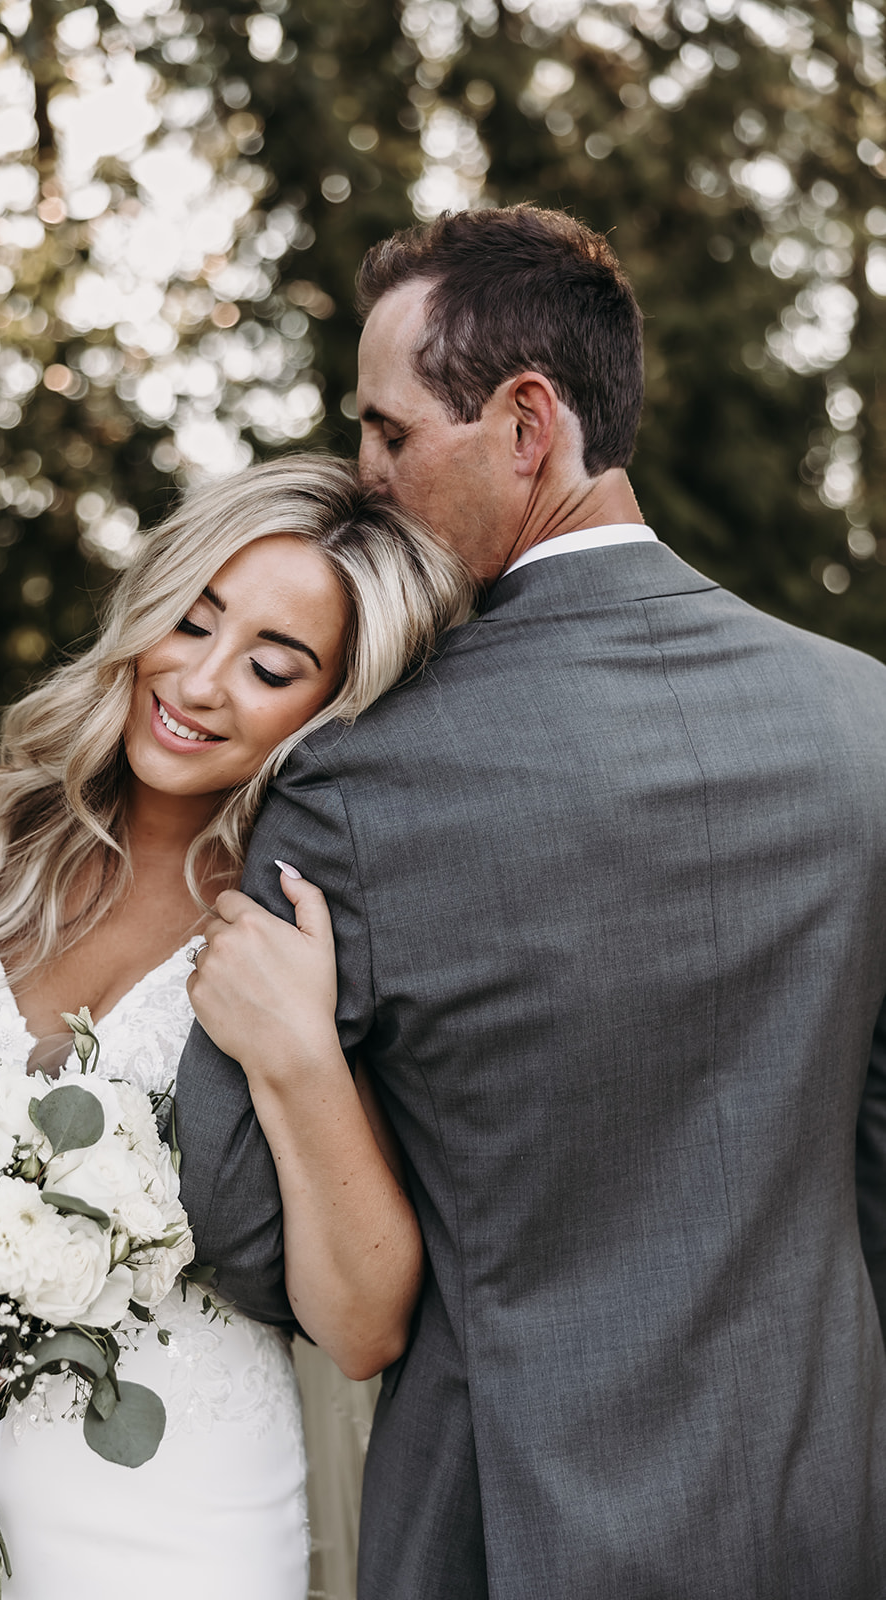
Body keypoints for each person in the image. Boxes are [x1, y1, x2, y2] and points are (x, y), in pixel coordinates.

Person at [173, 204, 886, 1598]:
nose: (363, 474)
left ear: (523, 424)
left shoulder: (350, 783)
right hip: (823, 1511)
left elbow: (249, 1229)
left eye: (387, 433)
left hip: (502, 1527)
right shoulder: (864, 725)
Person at [0, 454, 472, 1600]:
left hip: (174, 1512)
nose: (203, 681)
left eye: (272, 666)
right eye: (192, 621)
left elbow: (363, 1327)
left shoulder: (312, 935)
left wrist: (297, 1053)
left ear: (333, 710)